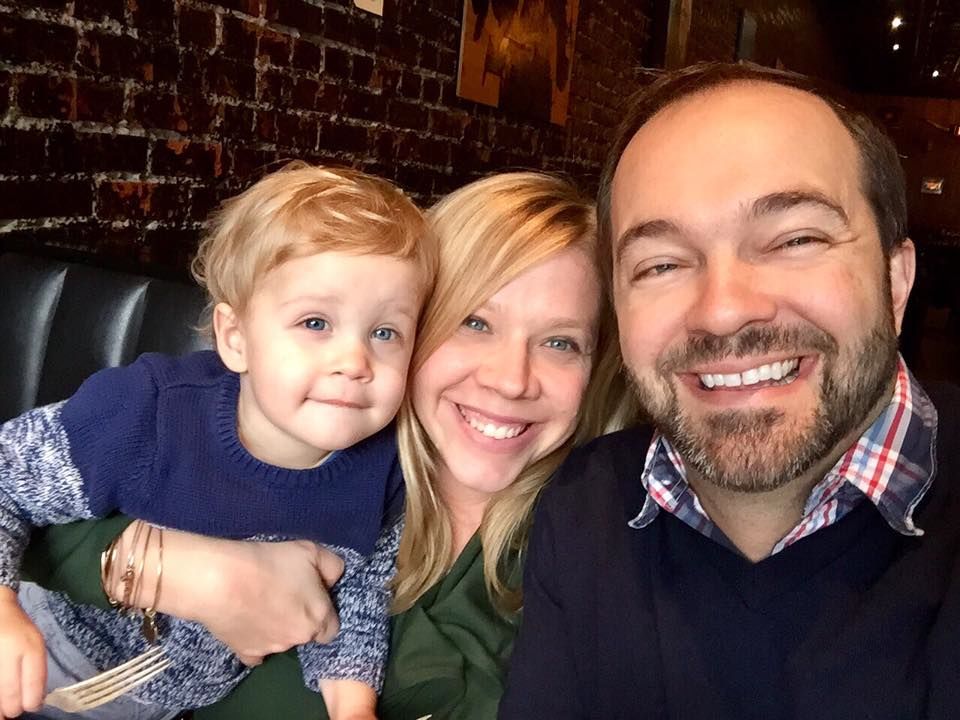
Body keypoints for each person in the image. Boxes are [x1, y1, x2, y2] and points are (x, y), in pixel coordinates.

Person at [24, 171, 637, 719]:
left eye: (561, 342)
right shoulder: (255, 424)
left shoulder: (588, 553)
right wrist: (181, 572)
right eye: (474, 322)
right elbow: (32, 504)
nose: (511, 379)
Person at [499, 61, 960, 719]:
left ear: (896, 279)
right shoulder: (585, 510)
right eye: (661, 264)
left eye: (795, 239)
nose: (722, 310)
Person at [0, 162, 435, 720]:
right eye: (315, 323)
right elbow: (7, 482)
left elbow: (355, 606)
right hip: (37, 655)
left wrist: (352, 708)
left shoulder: (384, 471)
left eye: (385, 332)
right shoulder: (148, 410)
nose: (355, 361)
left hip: (160, 707)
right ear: (236, 339)